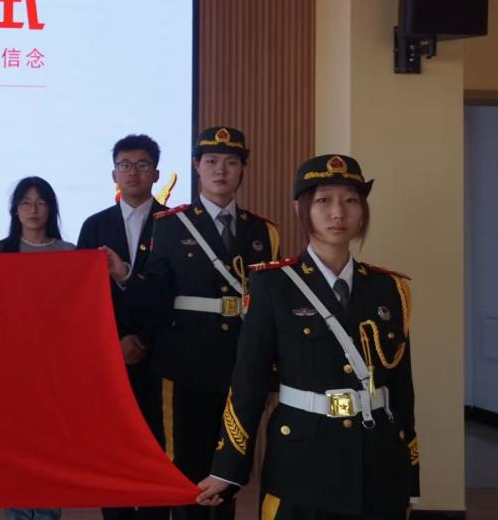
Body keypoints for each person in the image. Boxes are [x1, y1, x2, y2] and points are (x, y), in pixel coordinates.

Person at [196, 155, 417, 520]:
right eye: (323, 200)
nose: (338, 213)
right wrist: (227, 468)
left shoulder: (389, 289)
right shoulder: (272, 285)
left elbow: (402, 390)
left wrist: (410, 477)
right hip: (303, 460)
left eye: (350, 200)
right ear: (301, 208)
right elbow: (248, 382)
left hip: (378, 461)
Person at [124, 127, 279, 520]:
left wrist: (271, 371)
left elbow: (270, 308)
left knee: (229, 469)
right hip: (184, 364)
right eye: (211, 161)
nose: (220, 170)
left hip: (241, 365)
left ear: (243, 169)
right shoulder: (169, 224)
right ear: (196, 167)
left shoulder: (263, 232)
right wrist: (125, 275)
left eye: (230, 162)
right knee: (185, 469)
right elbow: (155, 294)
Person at [74, 135, 168, 520]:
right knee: (110, 449)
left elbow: (174, 294)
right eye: (125, 165)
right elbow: (81, 297)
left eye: (142, 165)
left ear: (156, 173)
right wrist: (112, 343)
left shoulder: (174, 223)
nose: (133, 173)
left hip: (159, 357)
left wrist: (143, 340)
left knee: (156, 448)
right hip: (107, 358)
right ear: (114, 173)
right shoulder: (95, 226)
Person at [0, 176, 73, 520]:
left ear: (51, 208)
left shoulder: (69, 254)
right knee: (16, 450)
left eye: (40, 202)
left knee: (51, 450)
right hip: (10, 370)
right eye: (25, 202)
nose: (33, 210)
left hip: (54, 370)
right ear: (15, 210)